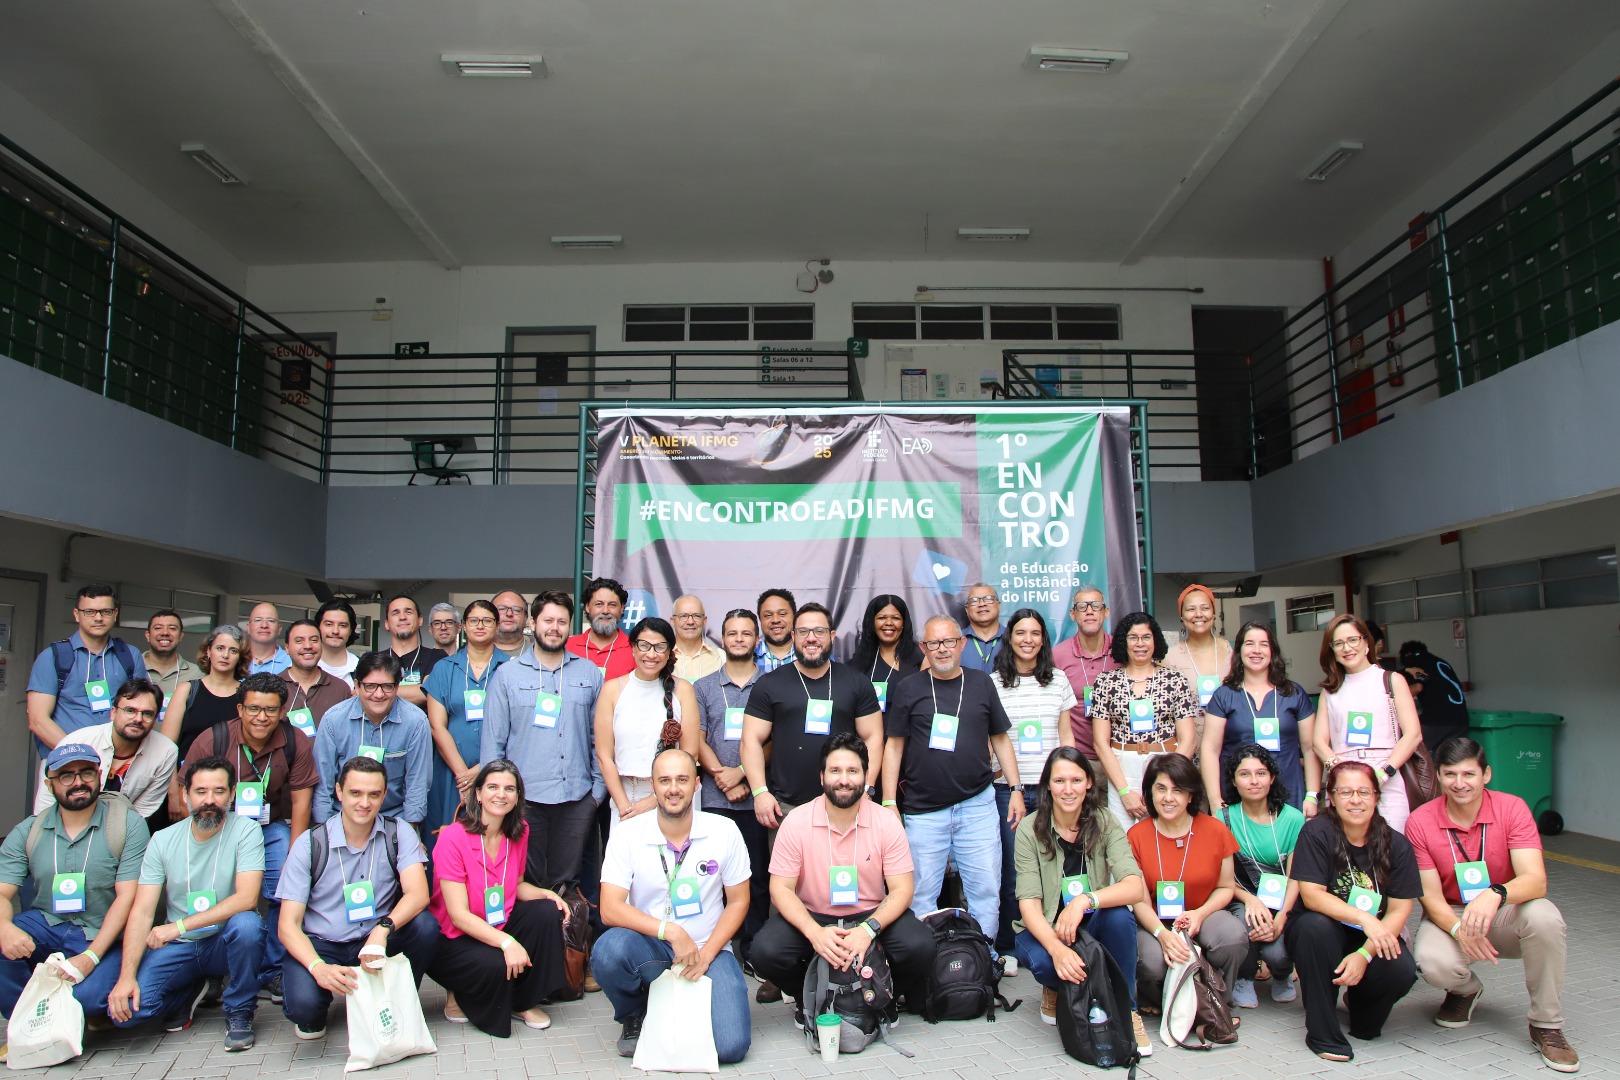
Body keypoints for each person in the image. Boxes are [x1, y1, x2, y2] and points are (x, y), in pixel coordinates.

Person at [1404, 737, 1577, 1072]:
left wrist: (1494, 893)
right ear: (1438, 776)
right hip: (1452, 912)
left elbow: (1535, 881)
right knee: (1432, 962)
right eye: (1450, 774)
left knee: (1545, 917)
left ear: (1486, 774)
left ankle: (1546, 1025)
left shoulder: (1512, 808)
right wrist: (1459, 929)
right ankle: (1465, 990)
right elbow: (1429, 896)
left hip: (1504, 910)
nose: (1459, 783)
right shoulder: (1420, 821)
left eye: (1468, 774)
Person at [751, 733, 936, 1023]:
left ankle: (884, 998)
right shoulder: (797, 821)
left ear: (865, 776)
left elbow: (902, 888)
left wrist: (868, 930)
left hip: (870, 915)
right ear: (822, 776)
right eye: (835, 771)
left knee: (920, 945)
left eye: (853, 771)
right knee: (764, 951)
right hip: (815, 916)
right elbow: (781, 889)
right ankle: (806, 998)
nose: (844, 780)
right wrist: (814, 932)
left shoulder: (886, 821)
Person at [594, 747, 752, 1062]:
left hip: (708, 948)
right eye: (664, 780)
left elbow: (738, 900)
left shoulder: (723, 831)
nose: (673, 788)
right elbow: (609, 908)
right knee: (608, 951)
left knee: (731, 1047)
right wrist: (671, 931)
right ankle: (635, 1012)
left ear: (697, 784)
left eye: (682, 779)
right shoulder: (628, 834)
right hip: (651, 949)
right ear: (653, 786)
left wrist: (706, 955)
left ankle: (677, 1010)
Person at [882, 614, 1023, 947]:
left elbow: (1000, 738)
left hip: (977, 806)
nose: (942, 649)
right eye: (934, 643)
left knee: (985, 890)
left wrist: (1016, 788)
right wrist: (888, 801)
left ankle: (983, 961)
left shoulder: (981, 683)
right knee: (919, 894)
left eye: (948, 641)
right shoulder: (908, 688)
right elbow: (894, 746)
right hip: (924, 811)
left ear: (961, 644)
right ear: (924, 648)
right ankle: (927, 965)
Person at [276, 756, 441, 1041]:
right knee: (305, 1009)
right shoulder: (310, 843)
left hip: (376, 939)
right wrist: (318, 967)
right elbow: (287, 925)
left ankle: (397, 998)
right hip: (324, 943)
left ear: (384, 795)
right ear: (339, 792)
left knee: (425, 926)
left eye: (373, 794)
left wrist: (382, 930)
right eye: (355, 793)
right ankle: (319, 1002)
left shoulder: (398, 831)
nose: (364, 803)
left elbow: (418, 894)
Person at [108, 756, 266, 1052]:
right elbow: (142, 911)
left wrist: (177, 926)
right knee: (130, 1013)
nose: (210, 800)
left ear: (232, 794)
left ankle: (239, 1011)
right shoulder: (162, 840)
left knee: (248, 926)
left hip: (223, 940)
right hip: (180, 946)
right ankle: (191, 989)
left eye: (219, 791)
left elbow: (247, 898)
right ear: (185, 795)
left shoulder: (247, 830)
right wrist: (126, 977)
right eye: (201, 791)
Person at [0, 743, 150, 1045]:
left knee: (90, 998)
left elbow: (127, 898)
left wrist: (91, 957)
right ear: (49, 785)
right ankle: (28, 1027)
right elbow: (2, 893)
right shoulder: (29, 830)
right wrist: (4, 928)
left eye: (86, 773)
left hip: (102, 934)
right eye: (66, 776)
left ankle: (68, 1010)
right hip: (47, 925)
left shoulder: (126, 824)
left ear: (99, 775)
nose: (78, 782)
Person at [182, 671, 319, 1000]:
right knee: (210, 889)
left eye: (270, 710)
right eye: (254, 709)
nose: (262, 717)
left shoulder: (295, 740)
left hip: (269, 825)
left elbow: (301, 802)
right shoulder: (214, 739)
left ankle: (272, 969)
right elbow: (190, 793)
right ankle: (213, 968)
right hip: (220, 826)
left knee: (286, 885)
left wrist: (295, 855)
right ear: (240, 709)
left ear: (282, 711)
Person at [1012, 747, 1150, 1055]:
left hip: (1090, 923)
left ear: (1089, 782)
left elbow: (1134, 886)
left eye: (1076, 780)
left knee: (1120, 916)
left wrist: (1084, 901)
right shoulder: (1030, 829)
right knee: (1048, 964)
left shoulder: (1105, 821)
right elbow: (1029, 905)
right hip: (1045, 928)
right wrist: (1057, 949)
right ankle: (1055, 988)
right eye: (1059, 781)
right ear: (1048, 785)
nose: (1068, 789)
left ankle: (1127, 1009)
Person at [1284, 761, 1420, 1062]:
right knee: (1314, 928)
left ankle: (1360, 1007)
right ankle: (1321, 1031)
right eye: (1345, 792)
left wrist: (1364, 954)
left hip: (1367, 936)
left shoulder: (1396, 844)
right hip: (1322, 928)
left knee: (1400, 970)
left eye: (1364, 792)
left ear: (1376, 797)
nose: (1355, 800)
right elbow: (1312, 896)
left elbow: (1399, 910)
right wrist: (1363, 918)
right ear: (1331, 797)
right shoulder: (1316, 832)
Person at [428, 760, 571, 1036]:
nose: (501, 795)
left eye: (509, 789)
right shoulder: (453, 838)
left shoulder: (519, 831)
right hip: (456, 937)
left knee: (545, 911)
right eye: (492, 787)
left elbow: (515, 887)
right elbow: (458, 915)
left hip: (497, 922)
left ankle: (522, 1001)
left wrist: (546, 894)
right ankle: (459, 992)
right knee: (495, 962)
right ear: (478, 794)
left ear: (518, 797)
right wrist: (508, 943)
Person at [481, 592, 604, 889]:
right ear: (533, 623)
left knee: (568, 884)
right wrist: (496, 795)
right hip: (524, 800)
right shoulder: (507, 676)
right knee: (523, 882)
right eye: (548, 620)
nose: (554, 628)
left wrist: (596, 795)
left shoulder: (589, 672)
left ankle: (568, 921)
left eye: (562, 622)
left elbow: (599, 738)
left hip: (576, 798)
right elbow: (493, 743)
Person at [1127, 753, 1247, 1014]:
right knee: (1153, 963)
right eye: (1161, 789)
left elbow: (1226, 887)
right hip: (1155, 920)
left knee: (1232, 937)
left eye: (1178, 790)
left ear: (1191, 795)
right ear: (1150, 792)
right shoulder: (1136, 835)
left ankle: (1218, 1003)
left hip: (1203, 913)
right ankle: (1161, 1002)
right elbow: (1138, 900)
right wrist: (1162, 934)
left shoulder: (1215, 830)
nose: (1168, 798)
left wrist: (1199, 914)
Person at [989, 608, 1076, 953]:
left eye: (1035, 633)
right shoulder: (994, 683)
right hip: (1008, 791)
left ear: (1043, 640)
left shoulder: (1058, 680)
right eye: (1021, 633)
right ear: (1009, 638)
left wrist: (1070, 781)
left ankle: (1058, 936)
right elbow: (990, 737)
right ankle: (1011, 946)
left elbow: (1065, 735)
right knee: (1014, 871)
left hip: (1053, 791)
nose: (1028, 640)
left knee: (1055, 865)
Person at [691, 609, 768, 962]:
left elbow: (775, 740)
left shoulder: (771, 684)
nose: (739, 639)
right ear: (722, 639)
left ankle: (753, 950)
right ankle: (717, 948)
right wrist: (723, 776)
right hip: (714, 798)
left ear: (757, 640)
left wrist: (742, 774)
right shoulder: (703, 686)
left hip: (756, 799)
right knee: (712, 877)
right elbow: (696, 738)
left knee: (755, 877)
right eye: (732, 633)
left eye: (746, 633)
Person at [1311, 614, 1424, 831]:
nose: (1347, 648)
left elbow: (1413, 734)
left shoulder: (1391, 680)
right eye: (1338, 643)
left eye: (1353, 640)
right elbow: (1318, 742)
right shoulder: (1330, 691)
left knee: (1392, 840)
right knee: (1345, 845)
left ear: (1366, 643)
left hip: (1386, 773)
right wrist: (1340, 773)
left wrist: (1383, 774)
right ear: (1332, 650)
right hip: (1344, 776)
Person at [1090, 612, 1198, 830]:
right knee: (1122, 838)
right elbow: (1100, 743)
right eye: (1133, 637)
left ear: (1155, 640)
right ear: (1124, 641)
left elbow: (1188, 739)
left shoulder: (1175, 680)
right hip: (1122, 768)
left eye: (1146, 637)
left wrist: (1167, 781)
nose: (1140, 644)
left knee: (1165, 833)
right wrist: (1124, 791)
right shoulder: (1106, 682)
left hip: (1166, 764)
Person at [1218, 743, 1305, 1009]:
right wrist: (1250, 900)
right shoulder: (1222, 819)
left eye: (1261, 773)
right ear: (1234, 781)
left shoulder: (1293, 818)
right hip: (1241, 896)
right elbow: (1222, 880)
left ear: (1272, 777)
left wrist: (1281, 918)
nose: (1253, 781)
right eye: (1244, 774)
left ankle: (1282, 973)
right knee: (1243, 926)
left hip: (1283, 899)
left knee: (1278, 953)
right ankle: (1244, 976)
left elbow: (1296, 877)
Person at [595, 616, 702, 831]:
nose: (651, 654)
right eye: (644, 645)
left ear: (669, 652)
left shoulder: (683, 690)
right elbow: (604, 756)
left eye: (660, 647)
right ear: (633, 648)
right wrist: (624, 806)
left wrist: (652, 801)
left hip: (674, 795)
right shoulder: (613, 690)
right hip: (625, 794)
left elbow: (690, 754)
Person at [1201, 621, 1318, 814]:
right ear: (1239, 651)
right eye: (1249, 644)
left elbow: (1310, 748)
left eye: (1264, 644)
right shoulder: (1224, 696)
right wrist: (1215, 801)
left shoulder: (1294, 694)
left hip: (1289, 796)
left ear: (1273, 651)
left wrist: (1312, 796)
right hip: (1236, 798)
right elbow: (1210, 749)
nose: (1256, 650)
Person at [311, 652, 432, 830]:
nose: (378, 694)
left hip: (393, 819)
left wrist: (408, 834)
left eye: (387, 686)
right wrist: (324, 832)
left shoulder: (415, 722)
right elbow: (323, 783)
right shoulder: (333, 720)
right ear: (357, 685)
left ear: (397, 687)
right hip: (342, 818)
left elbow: (417, 785)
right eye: (370, 686)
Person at [31, 678, 177, 825]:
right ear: (113, 713)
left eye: (147, 714)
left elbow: (143, 811)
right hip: (66, 825)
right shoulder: (78, 741)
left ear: (155, 719)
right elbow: (46, 802)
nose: (138, 719)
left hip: (122, 828)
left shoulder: (165, 752)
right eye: (130, 711)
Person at [424, 599, 510, 844]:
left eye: (487, 620)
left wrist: (482, 769)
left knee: (493, 840)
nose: (480, 625)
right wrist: (464, 776)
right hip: (450, 773)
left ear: (497, 626)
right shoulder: (444, 668)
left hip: (496, 771)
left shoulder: (511, 669)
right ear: (463, 626)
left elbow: (515, 727)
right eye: (474, 620)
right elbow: (437, 725)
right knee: (446, 839)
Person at [27, 584, 148, 754]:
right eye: (89, 612)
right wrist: (79, 755)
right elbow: (38, 721)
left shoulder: (130, 655)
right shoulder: (53, 657)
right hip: (65, 760)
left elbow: (142, 709)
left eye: (106, 611)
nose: (98, 618)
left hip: (118, 758)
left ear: (115, 614)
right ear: (77, 614)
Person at [161, 624, 248, 762]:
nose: (225, 655)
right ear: (208, 651)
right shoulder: (187, 690)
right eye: (220, 648)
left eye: (233, 650)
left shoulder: (247, 694)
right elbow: (166, 748)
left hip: (232, 774)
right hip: (187, 773)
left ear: (240, 657)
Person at [1163, 585, 1233, 753]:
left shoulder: (1233, 653)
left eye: (1205, 608)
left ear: (1214, 613)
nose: (1198, 614)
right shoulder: (1169, 658)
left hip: (1231, 746)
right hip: (1188, 750)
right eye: (1191, 609)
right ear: (1181, 616)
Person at [1054, 585, 1116, 760]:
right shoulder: (1057, 656)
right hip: (1077, 757)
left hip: (1117, 756)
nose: (1089, 611)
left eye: (1096, 605)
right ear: (1072, 614)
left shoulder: (1122, 652)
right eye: (1082, 607)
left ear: (1106, 612)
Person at [846, 594, 925, 713]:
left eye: (896, 618)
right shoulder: (856, 664)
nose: (889, 623)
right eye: (882, 618)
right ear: (872, 622)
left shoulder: (921, 660)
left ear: (904, 623)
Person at [277, 619, 352, 741]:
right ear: (287, 648)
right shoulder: (273, 687)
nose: (308, 646)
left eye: (314, 640)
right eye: (299, 641)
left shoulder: (340, 689)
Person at [1398, 640, 1471, 752]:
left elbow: (1417, 687)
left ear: (1407, 655)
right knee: (1450, 756)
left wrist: (1395, 694)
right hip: (1460, 720)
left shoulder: (1413, 661)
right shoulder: (1440, 662)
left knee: (1413, 751)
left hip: (1436, 720)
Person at [383, 594, 447, 709]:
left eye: (408, 612)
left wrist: (379, 690)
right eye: (395, 613)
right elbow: (359, 695)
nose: (402, 617)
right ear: (386, 624)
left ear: (420, 620)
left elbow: (429, 692)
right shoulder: (372, 660)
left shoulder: (437, 657)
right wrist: (417, 689)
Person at [567, 578, 635, 680]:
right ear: (587, 607)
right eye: (599, 604)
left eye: (612, 605)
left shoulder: (635, 649)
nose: (605, 611)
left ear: (621, 609)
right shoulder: (567, 646)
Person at [142, 609, 200, 703]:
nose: (165, 633)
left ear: (180, 636)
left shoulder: (197, 674)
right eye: (158, 628)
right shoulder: (130, 668)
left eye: (172, 628)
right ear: (148, 635)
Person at [670, 595, 724, 682]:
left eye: (696, 616)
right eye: (683, 616)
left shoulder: (721, 657)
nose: (690, 622)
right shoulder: (663, 657)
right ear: (672, 621)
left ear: (704, 620)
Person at [959, 583, 1005, 673]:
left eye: (988, 599)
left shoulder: (1013, 639)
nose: (982, 604)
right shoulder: (955, 641)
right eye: (974, 601)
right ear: (967, 609)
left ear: (998, 605)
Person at [315, 600, 360, 688]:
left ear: (351, 630)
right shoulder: (300, 665)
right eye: (329, 624)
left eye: (342, 625)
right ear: (318, 627)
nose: (335, 631)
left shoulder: (362, 666)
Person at [753, 588, 797, 672]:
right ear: (760, 620)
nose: (775, 620)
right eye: (768, 615)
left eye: (782, 614)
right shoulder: (750, 654)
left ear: (795, 617)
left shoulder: (809, 651)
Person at [244, 602, 291, 675]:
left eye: (271, 621)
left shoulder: (291, 662)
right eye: (258, 620)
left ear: (279, 629)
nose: (264, 625)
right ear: (248, 627)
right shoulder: (237, 659)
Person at [492, 591, 530, 659]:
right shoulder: (474, 650)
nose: (509, 614)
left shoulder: (538, 652)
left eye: (516, 610)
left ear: (526, 617)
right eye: (501, 609)